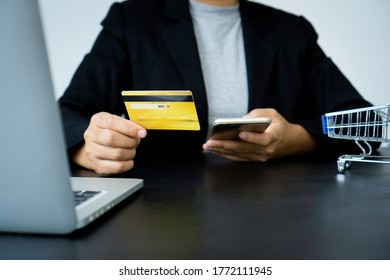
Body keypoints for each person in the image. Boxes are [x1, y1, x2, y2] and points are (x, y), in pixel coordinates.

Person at [59, 0, 378, 175]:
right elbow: (65, 113)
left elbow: (367, 123)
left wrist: (296, 140)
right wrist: (88, 150)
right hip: (159, 212)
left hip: (280, 209)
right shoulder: (131, 21)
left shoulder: (292, 31)